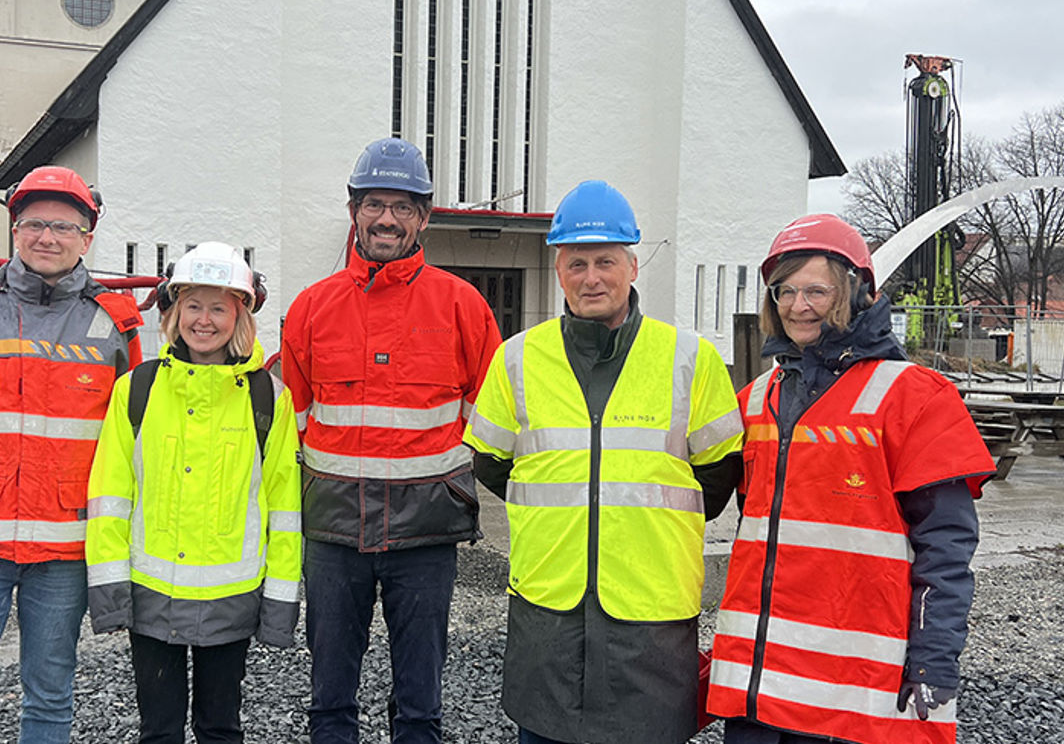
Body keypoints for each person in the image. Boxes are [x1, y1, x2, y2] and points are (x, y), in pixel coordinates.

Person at [462, 180, 745, 744]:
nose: (591, 277)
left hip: (650, 618)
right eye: (577, 263)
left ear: (633, 267)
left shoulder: (691, 360)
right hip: (549, 609)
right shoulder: (517, 359)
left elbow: (720, 476)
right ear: (559, 271)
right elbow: (491, 465)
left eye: (606, 261)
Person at [707, 214, 993, 744]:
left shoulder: (916, 398)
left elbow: (946, 547)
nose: (798, 305)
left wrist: (933, 659)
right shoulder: (757, 398)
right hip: (758, 689)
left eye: (817, 291)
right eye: (785, 291)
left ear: (858, 294)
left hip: (850, 696)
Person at [0, 165, 143, 743]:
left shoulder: (116, 325)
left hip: (65, 547)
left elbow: (131, 437)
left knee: (51, 697)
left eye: (64, 227)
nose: (47, 237)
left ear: (87, 238)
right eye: (35, 223)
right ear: (15, 231)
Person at [282, 137, 502, 744]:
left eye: (403, 207)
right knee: (329, 695)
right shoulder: (311, 308)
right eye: (375, 204)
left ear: (424, 218)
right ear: (353, 211)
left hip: (426, 534)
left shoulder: (463, 306)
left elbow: (490, 419)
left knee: (420, 700)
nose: (387, 219)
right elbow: (294, 420)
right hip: (333, 531)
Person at [85, 242, 302, 744]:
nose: (204, 320)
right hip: (151, 599)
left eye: (219, 308)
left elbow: (284, 510)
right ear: (174, 311)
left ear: (240, 316)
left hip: (231, 602)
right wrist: (111, 592)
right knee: (158, 731)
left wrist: (279, 606)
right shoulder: (137, 389)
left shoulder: (269, 399)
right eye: (193, 306)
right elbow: (110, 495)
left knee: (220, 729)